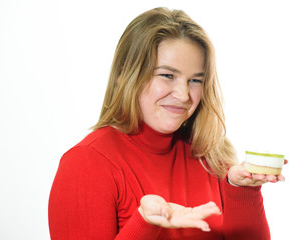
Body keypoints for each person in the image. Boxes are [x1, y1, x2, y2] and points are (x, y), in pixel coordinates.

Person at [48, 7, 286, 240]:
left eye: (194, 80)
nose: (183, 95)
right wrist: (145, 223)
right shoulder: (87, 163)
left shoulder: (211, 155)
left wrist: (242, 190)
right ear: (124, 75)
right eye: (167, 75)